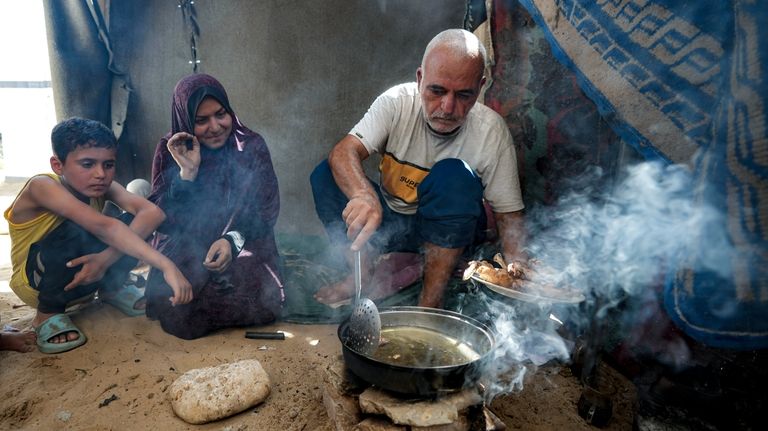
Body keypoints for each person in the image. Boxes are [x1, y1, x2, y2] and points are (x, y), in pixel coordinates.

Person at [310, 29, 526, 308]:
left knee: (454, 174)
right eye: (437, 91)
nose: (448, 107)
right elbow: (343, 152)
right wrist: (363, 195)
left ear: (480, 87)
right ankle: (359, 274)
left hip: (449, 233)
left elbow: (510, 216)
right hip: (392, 224)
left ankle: (429, 304)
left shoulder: (491, 132)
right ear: (420, 78)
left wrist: (519, 270)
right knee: (326, 175)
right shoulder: (396, 103)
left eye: (463, 95)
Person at [4, 118, 193, 354]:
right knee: (85, 228)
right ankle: (46, 315)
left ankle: (112, 289)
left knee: (134, 223)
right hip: (37, 283)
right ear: (58, 165)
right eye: (87, 164)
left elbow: (153, 213)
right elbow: (105, 228)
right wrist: (167, 265)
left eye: (108, 164)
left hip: (90, 275)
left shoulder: (104, 186)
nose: (100, 174)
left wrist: (105, 260)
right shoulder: (41, 186)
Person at [145, 73, 283, 340]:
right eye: (201, 120)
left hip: (244, 240)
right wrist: (187, 172)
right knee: (181, 309)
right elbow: (164, 221)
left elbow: (266, 209)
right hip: (187, 244)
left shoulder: (250, 145)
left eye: (221, 114)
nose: (216, 126)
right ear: (185, 120)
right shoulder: (170, 149)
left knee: (263, 298)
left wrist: (231, 241)